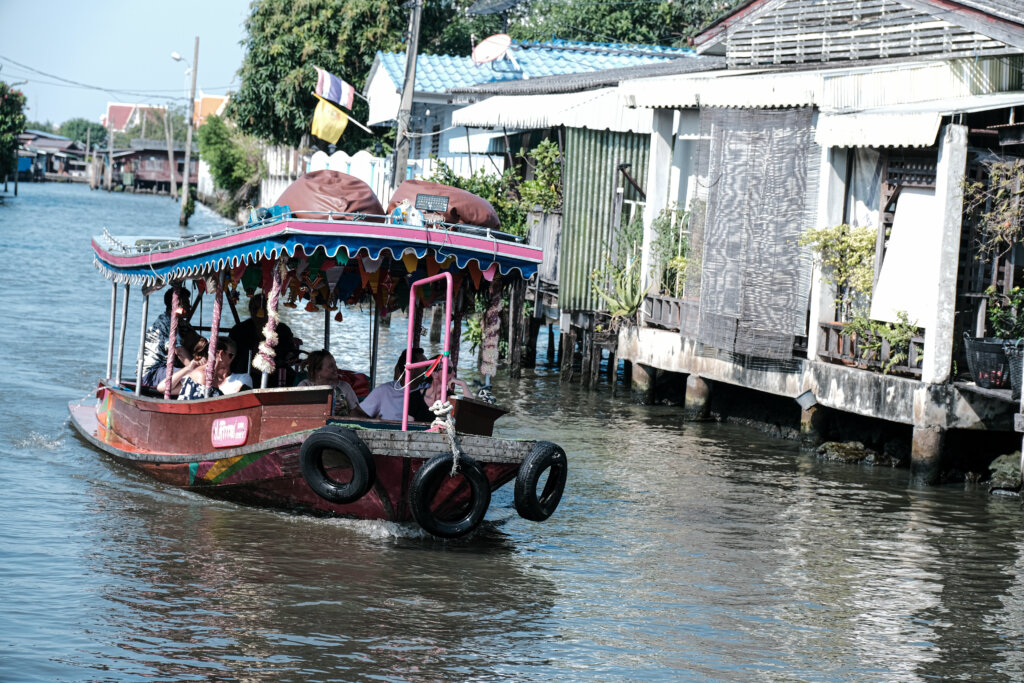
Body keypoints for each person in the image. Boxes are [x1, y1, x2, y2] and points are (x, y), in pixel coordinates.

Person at [229, 292, 300, 387]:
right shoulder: (239, 330)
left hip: (276, 376)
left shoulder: (283, 330)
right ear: (250, 311)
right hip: (245, 376)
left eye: (264, 309)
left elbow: (291, 352)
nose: (260, 314)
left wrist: (290, 356)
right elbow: (231, 357)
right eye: (255, 309)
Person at [141, 287, 200, 389]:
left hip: (167, 368)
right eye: (186, 303)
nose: (189, 306)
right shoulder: (167, 322)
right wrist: (197, 370)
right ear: (178, 305)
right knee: (196, 377)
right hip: (152, 373)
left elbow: (197, 340)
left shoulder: (182, 323)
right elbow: (179, 351)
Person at [360, 349, 434, 422]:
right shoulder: (384, 391)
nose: (428, 368)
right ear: (411, 369)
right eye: (424, 364)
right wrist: (374, 423)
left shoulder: (429, 390)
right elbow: (359, 414)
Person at [297, 350, 366, 417]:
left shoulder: (344, 387)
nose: (336, 368)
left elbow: (355, 411)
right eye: (331, 366)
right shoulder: (305, 386)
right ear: (317, 371)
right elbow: (297, 411)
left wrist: (345, 409)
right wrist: (325, 408)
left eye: (335, 364)